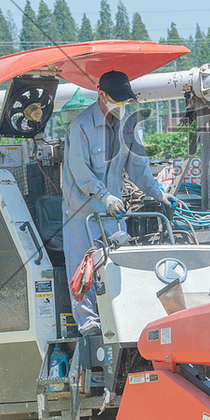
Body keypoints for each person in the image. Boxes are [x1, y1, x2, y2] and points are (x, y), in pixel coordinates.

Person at [62, 69, 175, 332]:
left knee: (117, 265)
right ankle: (89, 325)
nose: (122, 105)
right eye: (117, 100)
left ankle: (120, 318)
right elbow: (80, 172)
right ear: (101, 95)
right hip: (82, 214)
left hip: (112, 213)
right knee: (83, 271)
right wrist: (105, 195)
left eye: (125, 101)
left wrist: (159, 193)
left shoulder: (127, 127)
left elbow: (138, 166)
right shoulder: (80, 126)